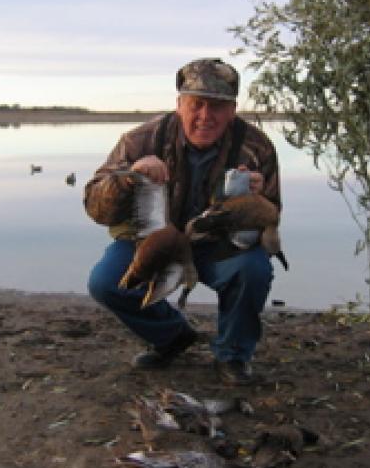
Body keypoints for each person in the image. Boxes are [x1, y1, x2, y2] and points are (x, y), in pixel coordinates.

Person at [84, 57, 281, 385]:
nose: (206, 116)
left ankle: (232, 355)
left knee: (254, 269)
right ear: (179, 105)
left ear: (232, 109)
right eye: (197, 104)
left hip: (220, 246)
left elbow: (274, 214)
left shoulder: (255, 147)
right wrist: (128, 178)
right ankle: (171, 337)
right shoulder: (139, 140)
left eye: (218, 106)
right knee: (105, 283)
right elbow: (95, 207)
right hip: (154, 243)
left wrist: (257, 201)